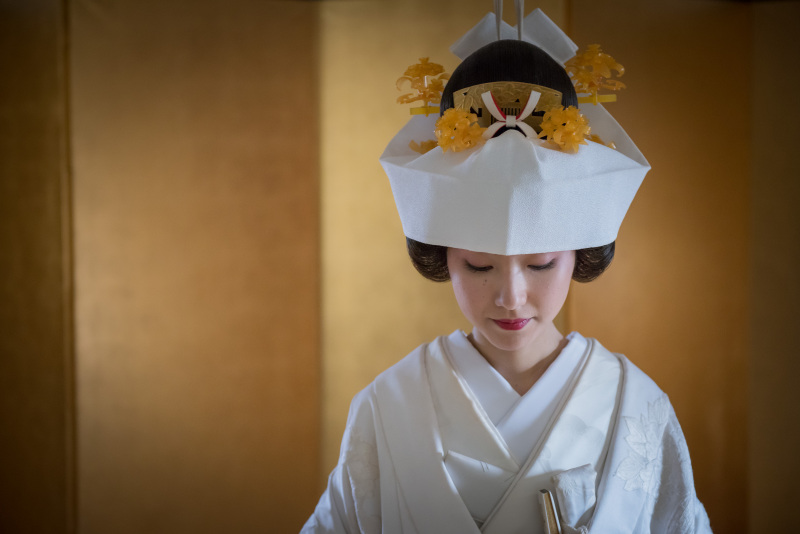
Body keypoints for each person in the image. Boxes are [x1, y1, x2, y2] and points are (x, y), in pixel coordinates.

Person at [303, 8, 711, 534]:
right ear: (444, 254)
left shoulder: (636, 406)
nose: (511, 297)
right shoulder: (388, 406)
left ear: (578, 255)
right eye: (478, 266)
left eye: (541, 264)